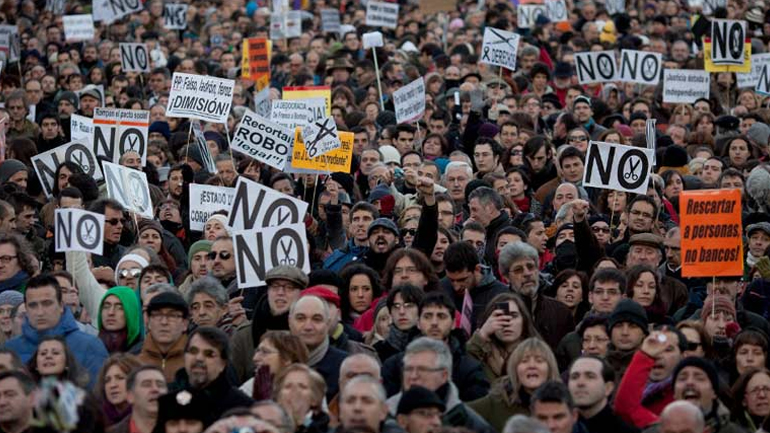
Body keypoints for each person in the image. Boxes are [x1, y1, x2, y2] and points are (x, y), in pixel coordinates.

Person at [381, 291, 490, 401]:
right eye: (427, 316)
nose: (434, 322)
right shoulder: (395, 366)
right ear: (418, 323)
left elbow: (474, 411)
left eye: (441, 316)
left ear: (453, 323)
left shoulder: (469, 369)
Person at [4, 274, 108, 386]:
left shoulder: (90, 346)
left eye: (47, 303)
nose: (40, 312)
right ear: (26, 309)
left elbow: (97, 397)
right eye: (33, 305)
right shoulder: (9, 350)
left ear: (61, 306)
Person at [386, 337, 494, 433]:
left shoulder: (471, 424)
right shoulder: (384, 415)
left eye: (422, 369)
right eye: (408, 369)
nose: (413, 376)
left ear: (444, 375)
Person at [230, 265, 308, 383]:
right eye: (275, 287)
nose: (280, 292)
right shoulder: (244, 336)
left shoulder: (308, 332)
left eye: (289, 287)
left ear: (300, 294)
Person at [468, 337, 560, 432]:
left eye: (539, 360)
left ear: (550, 368)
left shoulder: (563, 405)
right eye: (524, 361)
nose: (532, 366)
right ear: (515, 369)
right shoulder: (495, 403)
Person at [169, 327, 253, 426]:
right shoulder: (167, 400)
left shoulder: (242, 407)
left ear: (223, 364)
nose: (199, 358)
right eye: (193, 351)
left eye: (209, 354)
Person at [498, 242, 574, 349]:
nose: (527, 273)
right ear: (506, 277)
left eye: (530, 267)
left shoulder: (561, 311)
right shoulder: (501, 311)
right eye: (518, 270)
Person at [466, 293, 540, 382]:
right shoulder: (481, 354)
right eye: (499, 317)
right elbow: (463, 365)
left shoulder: (539, 353)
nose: (507, 323)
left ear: (524, 320)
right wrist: (482, 334)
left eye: (513, 316)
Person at [288, 295, 348, 401]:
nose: (308, 326)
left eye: (317, 319)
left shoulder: (345, 367)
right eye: (300, 318)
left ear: (327, 323)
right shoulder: (274, 364)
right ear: (290, 322)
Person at [441, 241, 508, 332]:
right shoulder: (441, 289)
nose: (456, 287)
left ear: (477, 269)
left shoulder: (501, 294)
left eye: (462, 280)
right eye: (451, 280)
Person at [568, 356, 639, 433]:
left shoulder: (626, 431)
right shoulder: (558, 427)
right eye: (574, 377)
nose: (580, 383)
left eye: (590, 377)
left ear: (608, 388)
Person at [239, 330, 309, 399]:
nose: (255, 358)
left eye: (265, 352)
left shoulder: (311, 390)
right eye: (257, 351)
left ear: (287, 358)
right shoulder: (250, 387)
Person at [137, 292, 190, 382]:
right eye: (157, 315)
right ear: (148, 322)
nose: (164, 322)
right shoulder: (134, 363)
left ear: (185, 323)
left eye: (172, 316)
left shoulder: (193, 363)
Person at [108, 366, 168, 433]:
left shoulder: (179, 429)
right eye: (147, 384)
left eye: (160, 385)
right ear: (130, 396)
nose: (155, 389)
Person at [272, 363, 329, 433]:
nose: (294, 391)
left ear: (315, 399)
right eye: (288, 386)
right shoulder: (266, 422)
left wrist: (301, 419)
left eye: (302, 386)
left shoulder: (323, 423)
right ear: (278, 397)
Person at [96, 353, 142, 427]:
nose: (113, 385)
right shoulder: (97, 420)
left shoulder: (148, 417)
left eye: (120, 378)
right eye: (107, 380)